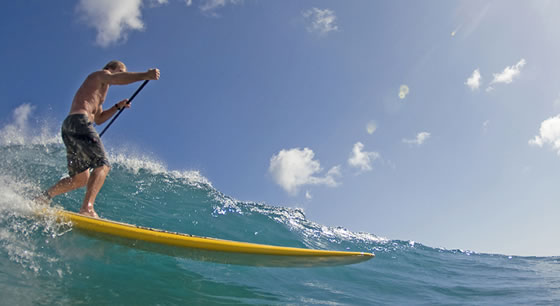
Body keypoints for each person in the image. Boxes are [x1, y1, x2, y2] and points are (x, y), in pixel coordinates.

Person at [37, 60, 160, 218]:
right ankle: (87, 208)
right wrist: (146, 75)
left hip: (70, 126)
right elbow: (116, 79)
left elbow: (99, 119)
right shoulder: (100, 75)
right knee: (103, 164)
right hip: (79, 121)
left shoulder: (100, 92)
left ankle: (43, 197)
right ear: (109, 68)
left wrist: (117, 107)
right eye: (120, 71)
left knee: (80, 179)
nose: (122, 74)